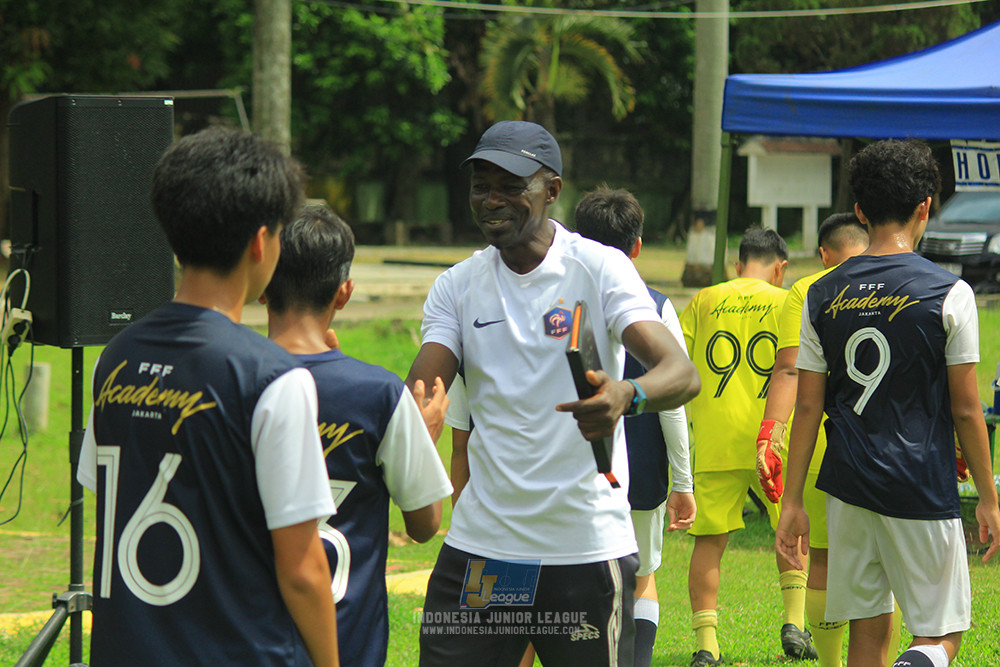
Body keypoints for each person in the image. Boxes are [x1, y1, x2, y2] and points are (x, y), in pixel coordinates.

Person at [409, 120, 700, 667]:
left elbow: (680, 374)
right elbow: (423, 389)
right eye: (481, 185)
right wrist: (411, 418)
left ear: (552, 190)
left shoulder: (597, 268)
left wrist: (626, 395)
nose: (491, 200)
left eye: (511, 184)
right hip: (489, 554)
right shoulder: (458, 285)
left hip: (584, 551)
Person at [76, 128, 339, 666]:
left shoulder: (116, 356)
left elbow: (109, 498)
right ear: (262, 242)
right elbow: (303, 570)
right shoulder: (273, 378)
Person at [775, 138, 1000, 667]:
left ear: (859, 210)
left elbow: (808, 408)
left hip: (847, 485)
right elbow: (968, 410)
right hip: (920, 483)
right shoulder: (950, 292)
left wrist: (791, 501)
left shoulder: (820, 293)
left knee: (868, 636)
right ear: (926, 208)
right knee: (941, 636)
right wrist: (988, 497)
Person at [263, 204, 454, 667]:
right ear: (344, 293)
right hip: (347, 642)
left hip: (247, 639)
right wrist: (421, 439)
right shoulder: (377, 395)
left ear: (264, 285)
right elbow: (425, 525)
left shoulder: (229, 380)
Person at [574, 186, 697, 667]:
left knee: (578, 573)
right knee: (641, 574)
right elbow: (674, 404)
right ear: (638, 246)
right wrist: (683, 483)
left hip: (579, 464)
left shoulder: (555, 299)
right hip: (641, 466)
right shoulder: (655, 304)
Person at [680, 227, 813, 666]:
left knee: (710, 542)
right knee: (793, 527)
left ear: (738, 266)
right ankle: (795, 622)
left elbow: (680, 367)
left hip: (716, 441)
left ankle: (706, 644)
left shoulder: (704, 300)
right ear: (781, 268)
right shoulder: (788, 299)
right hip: (774, 441)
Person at [755, 212, 869, 667]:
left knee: (819, 556)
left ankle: (830, 662)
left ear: (824, 254)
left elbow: (788, 369)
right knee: (881, 565)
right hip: (891, 443)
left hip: (824, 441)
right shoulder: (906, 278)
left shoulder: (808, 288)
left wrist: (773, 432)